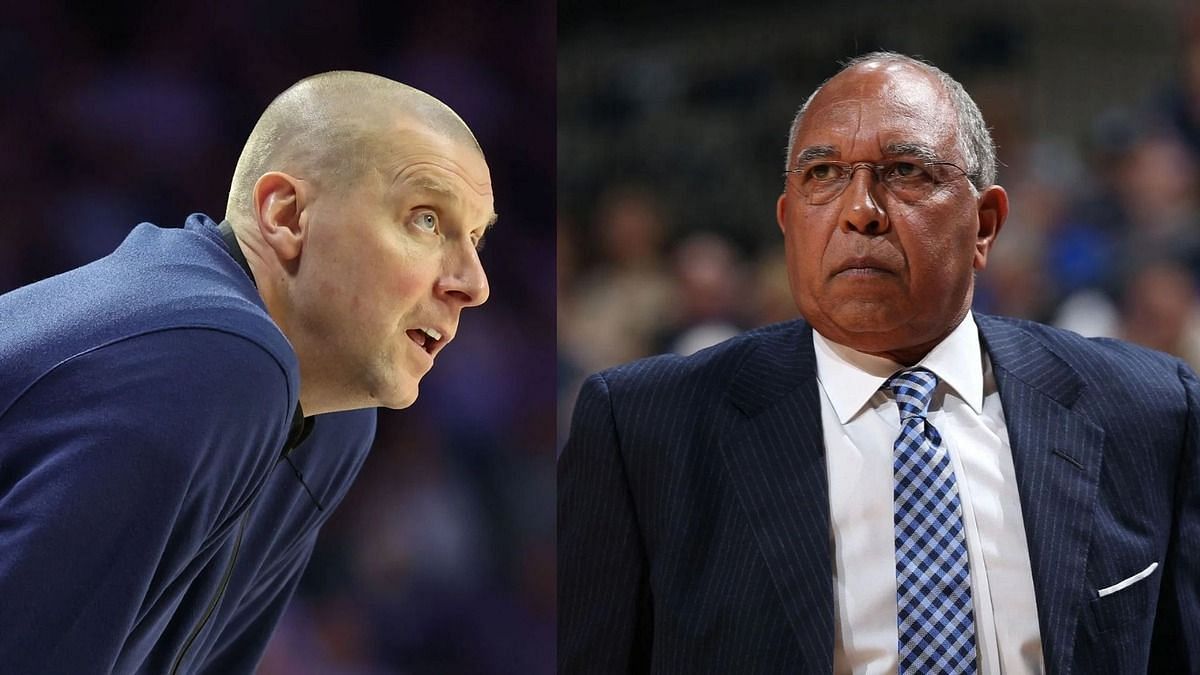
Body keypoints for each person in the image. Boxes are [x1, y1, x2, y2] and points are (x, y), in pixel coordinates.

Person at [558, 52, 1199, 674]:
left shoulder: (1152, 411)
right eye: (823, 175)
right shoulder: (644, 430)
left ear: (984, 224)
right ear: (788, 224)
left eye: (903, 171)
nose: (860, 210)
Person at [0, 71, 493, 673]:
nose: (473, 284)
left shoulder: (329, 420)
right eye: (426, 220)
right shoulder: (216, 361)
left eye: (475, 238)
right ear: (286, 215)